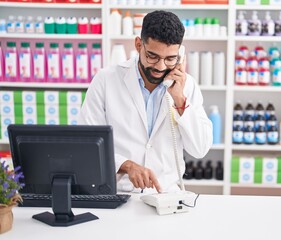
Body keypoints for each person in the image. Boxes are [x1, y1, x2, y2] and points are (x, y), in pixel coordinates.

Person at [79, 10, 212, 193]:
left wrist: (180, 100)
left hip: (166, 195)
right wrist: (126, 165)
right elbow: (87, 143)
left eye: (170, 58)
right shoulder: (106, 80)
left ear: (180, 54)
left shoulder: (186, 86)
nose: (160, 66)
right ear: (138, 44)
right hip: (118, 192)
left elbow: (200, 148)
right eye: (152, 56)